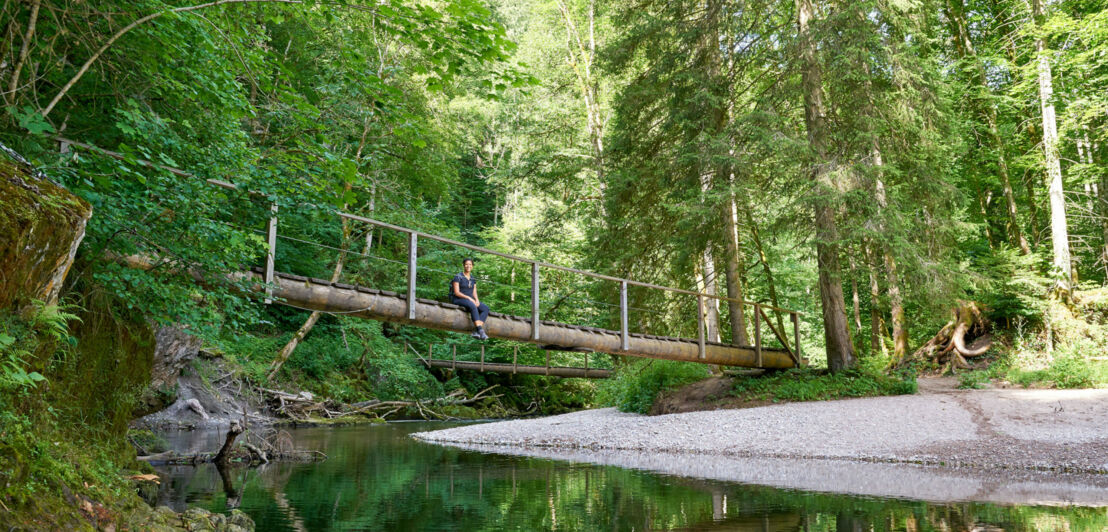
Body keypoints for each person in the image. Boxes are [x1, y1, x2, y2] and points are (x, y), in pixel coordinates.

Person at [450, 258, 489, 340]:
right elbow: (457, 292)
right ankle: (481, 331)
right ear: (463, 265)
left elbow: (474, 291)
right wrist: (469, 298)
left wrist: (477, 300)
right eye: (466, 264)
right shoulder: (458, 277)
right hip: (458, 299)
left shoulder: (472, 278)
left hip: (469, 300)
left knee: (485, 308)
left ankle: (476, 330)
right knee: (472, 305)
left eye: (470, 264)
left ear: (472, 266)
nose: (468, 266)